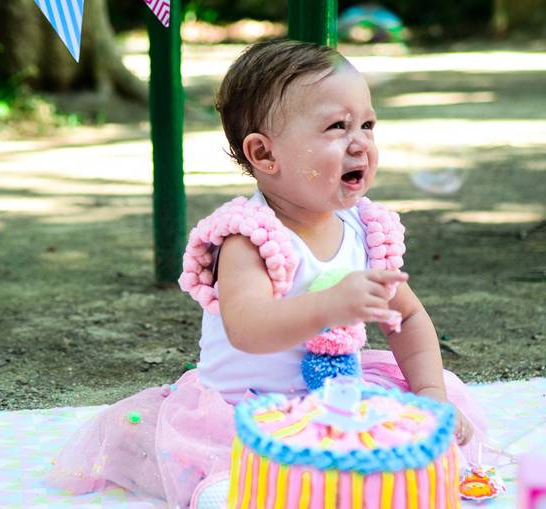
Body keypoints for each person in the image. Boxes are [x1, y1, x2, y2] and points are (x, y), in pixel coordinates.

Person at [48, 40, 487, 509]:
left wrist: (430, 394)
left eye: (367, 125)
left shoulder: (367, 230)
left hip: (335, 401)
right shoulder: (250, 238)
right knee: (239, 479)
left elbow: (408, 318)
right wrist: (330, 304)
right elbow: (249, 329)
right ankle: (231, 481)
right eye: (337, 127)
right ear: (264, 153)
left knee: (414, 444)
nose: (360, 142)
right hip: (245, 410)